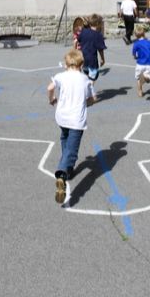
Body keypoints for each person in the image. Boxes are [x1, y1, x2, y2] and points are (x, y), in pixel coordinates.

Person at [47, 49, 98, 204]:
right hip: (76, 120)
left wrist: (52, 99)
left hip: (62, 117)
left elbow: (50, 88)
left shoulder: (60, 76)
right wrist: (86, 103)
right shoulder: (85, 79)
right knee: (72, 150)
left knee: (65, 139)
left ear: (66, 64)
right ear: (81, 64)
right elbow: (93, 98)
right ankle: (62, 173)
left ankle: (68, 169)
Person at [77, 14, 106, 82]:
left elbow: (78, 40)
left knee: (87, 76)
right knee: (93, 77)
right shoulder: (98, 35)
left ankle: (87, 89)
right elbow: (100, 49)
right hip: (92, 60)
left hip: (83, 59)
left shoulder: (83, 32)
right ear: (98, 24)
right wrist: (102, 59)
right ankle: (88, 90)